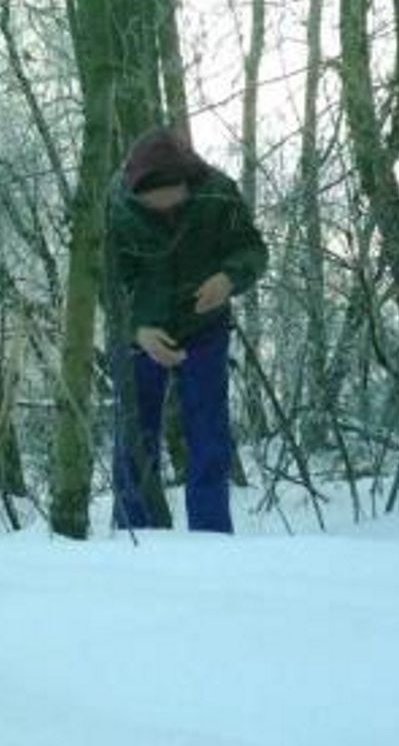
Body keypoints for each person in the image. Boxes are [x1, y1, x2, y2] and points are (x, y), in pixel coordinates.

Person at [107, 127, 268, 533]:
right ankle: (134, 537)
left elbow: (251, 250)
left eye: (169, 197)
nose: (161, 207)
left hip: (205, 328)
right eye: (151, 201)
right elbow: (106, 282)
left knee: (209, 436)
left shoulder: (217, 194)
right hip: (140, 336)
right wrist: (136, 330)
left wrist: (229, 279)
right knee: (133, 440)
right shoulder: (116, 208)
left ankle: (211, 539)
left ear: (186, 183)